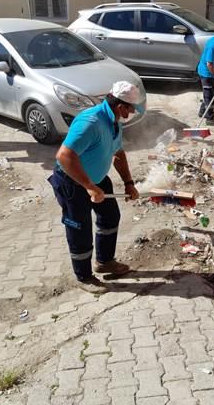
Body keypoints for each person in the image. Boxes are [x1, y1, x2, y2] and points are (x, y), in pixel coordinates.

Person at [48, 81, 146, 293]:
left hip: (97, 178)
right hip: (73, 182)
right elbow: (64, 156)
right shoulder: (91, 122)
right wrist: (89, 187)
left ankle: (105, 261)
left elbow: (118, 153)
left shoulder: (114, 122)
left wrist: (129, 183)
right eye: (130, 108)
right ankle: (83, 277)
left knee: (110, 217)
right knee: (79, 228)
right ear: (120, 106)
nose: (131, 113)